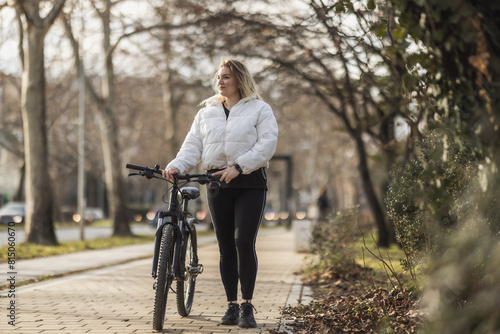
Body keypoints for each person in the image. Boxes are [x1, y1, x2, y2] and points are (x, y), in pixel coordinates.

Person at [162, 59, 278, 328]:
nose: (220, 81)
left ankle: (247, 306)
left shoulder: (260, 109)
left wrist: (239, 166)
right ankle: (231, 306)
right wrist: (176, 165)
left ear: (239, 80)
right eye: (218, 77)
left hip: (249, 183)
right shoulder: (206, 113)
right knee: (225, 247)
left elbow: (267, 144)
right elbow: (193, 145)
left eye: (226, 77)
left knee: (243, 242)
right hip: (216, 184)